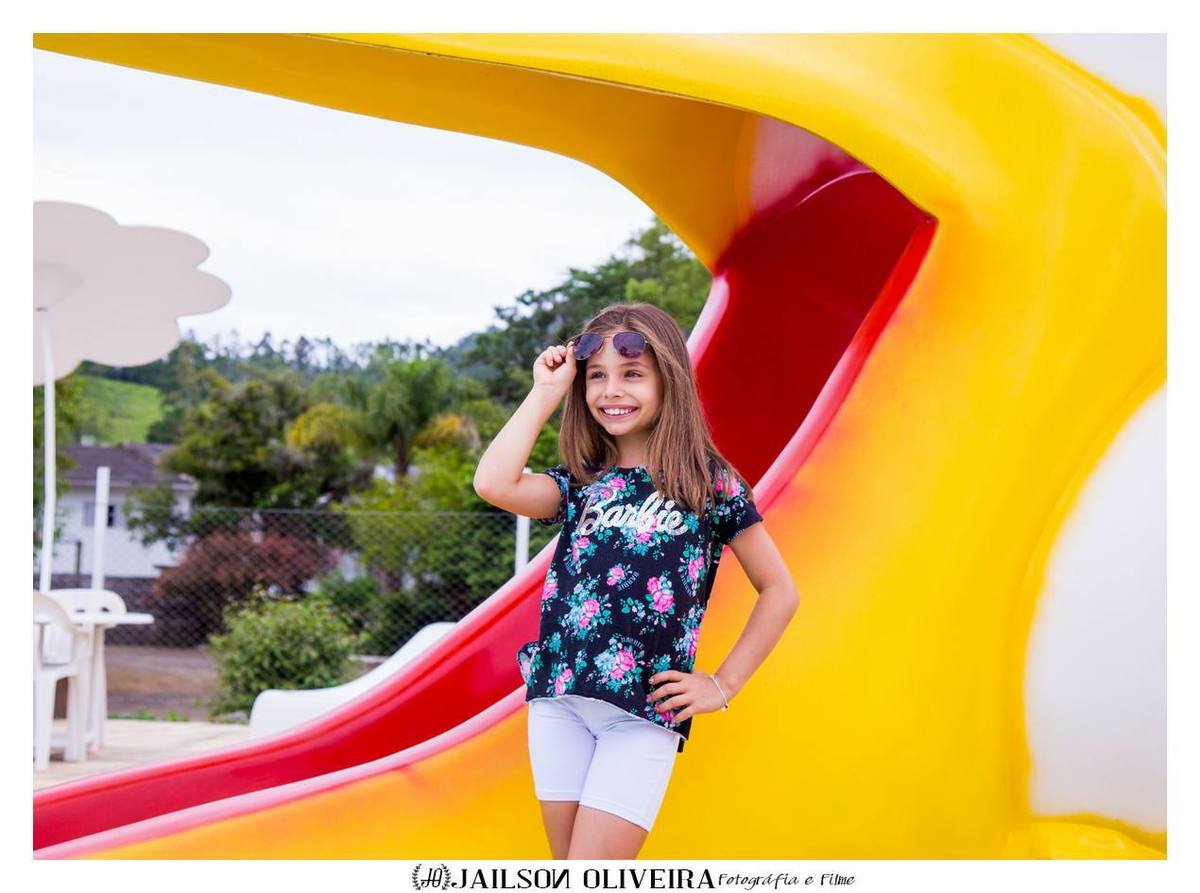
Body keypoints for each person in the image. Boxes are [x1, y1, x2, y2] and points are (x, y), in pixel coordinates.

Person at [473, 302, 798, 859]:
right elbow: (494, 483)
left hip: (642, 712)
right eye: (597, 376)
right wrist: (546, 392)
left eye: (631, 374)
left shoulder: (709, 484)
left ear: (668, 379)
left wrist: (722, 684)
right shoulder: (581, 483)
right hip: (558, 702)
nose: (611, 391)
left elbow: (780, 591)